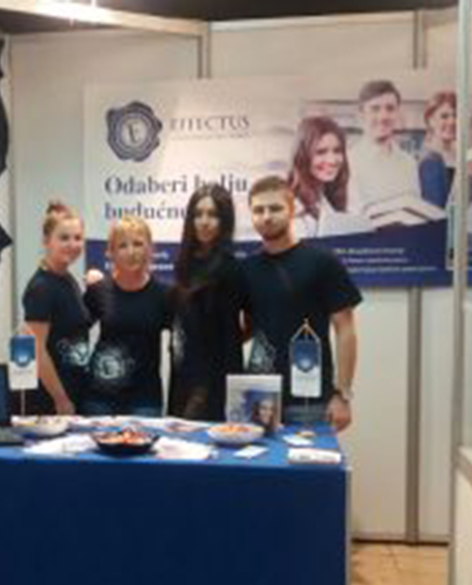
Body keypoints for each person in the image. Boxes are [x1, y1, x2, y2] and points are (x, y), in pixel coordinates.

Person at [241, 176, 362, 431]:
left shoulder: (322, 262)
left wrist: (343, 395)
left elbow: (345, 329)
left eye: (275, 208)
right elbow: (248, 328)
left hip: (309, 402)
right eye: (258, 210)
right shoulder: (247, 269)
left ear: (292, 209)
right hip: (259, 397)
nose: (266, 217)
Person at [167, 183, 244, 421]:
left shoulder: (230, 268)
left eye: (212, 215)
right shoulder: (184, 264)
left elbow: (238, 329)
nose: (204, 221)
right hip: (182, 372)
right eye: (198, 214)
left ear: (224, 220)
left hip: (214, 379)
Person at [83, 216, 170, 416]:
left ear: (150, 249)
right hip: (99, 398)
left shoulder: (164, 295)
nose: (131, 252)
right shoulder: (98, 290)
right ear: (111, 252)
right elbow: (73, 332)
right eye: (123, 246)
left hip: (145, 399)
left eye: (138, 244)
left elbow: (186, 340)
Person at [22, 202, 92, 415]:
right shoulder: (41, 287)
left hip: (75, 388)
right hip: (51, 399)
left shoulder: (67, 278)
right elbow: (37, 351)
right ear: (46, 241)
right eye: (64, 238)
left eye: (77, 238)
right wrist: (61, 400)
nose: (72, 244)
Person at [348, 80, 420, 210]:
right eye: (375, 109)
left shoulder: (409, 163)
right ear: (361, 114)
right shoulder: (349, 163)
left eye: (390, 109)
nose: (383, 117)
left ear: (397, 113)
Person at [289, 116, 357, 238]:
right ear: (303, 156)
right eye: (321, 152)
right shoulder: (295, 209)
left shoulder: (325, 198)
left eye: (337, 151)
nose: (332, 160)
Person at [419, 92, 458, 208]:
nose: (452, 122)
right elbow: (434, 209)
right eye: (444, 116)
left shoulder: (460, 155)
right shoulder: (429, 161)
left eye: (455, 115)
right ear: (430, 120)